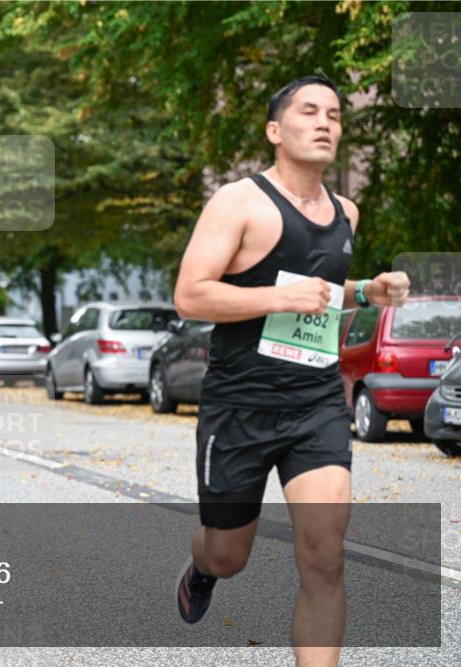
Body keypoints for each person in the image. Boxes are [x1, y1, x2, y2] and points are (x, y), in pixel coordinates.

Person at [172, 75, 410, 666]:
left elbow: (322, 293)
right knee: (230, 555)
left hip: (317, 403)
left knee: (325, 555)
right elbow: (191, 296)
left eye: (334, 113)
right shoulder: (239, 202)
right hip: (240, 403)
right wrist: (281, 299)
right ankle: (202, 565)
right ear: (276, 131)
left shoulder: (345, 212)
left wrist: (369, 291)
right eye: (310, 111)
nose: (326, 121)